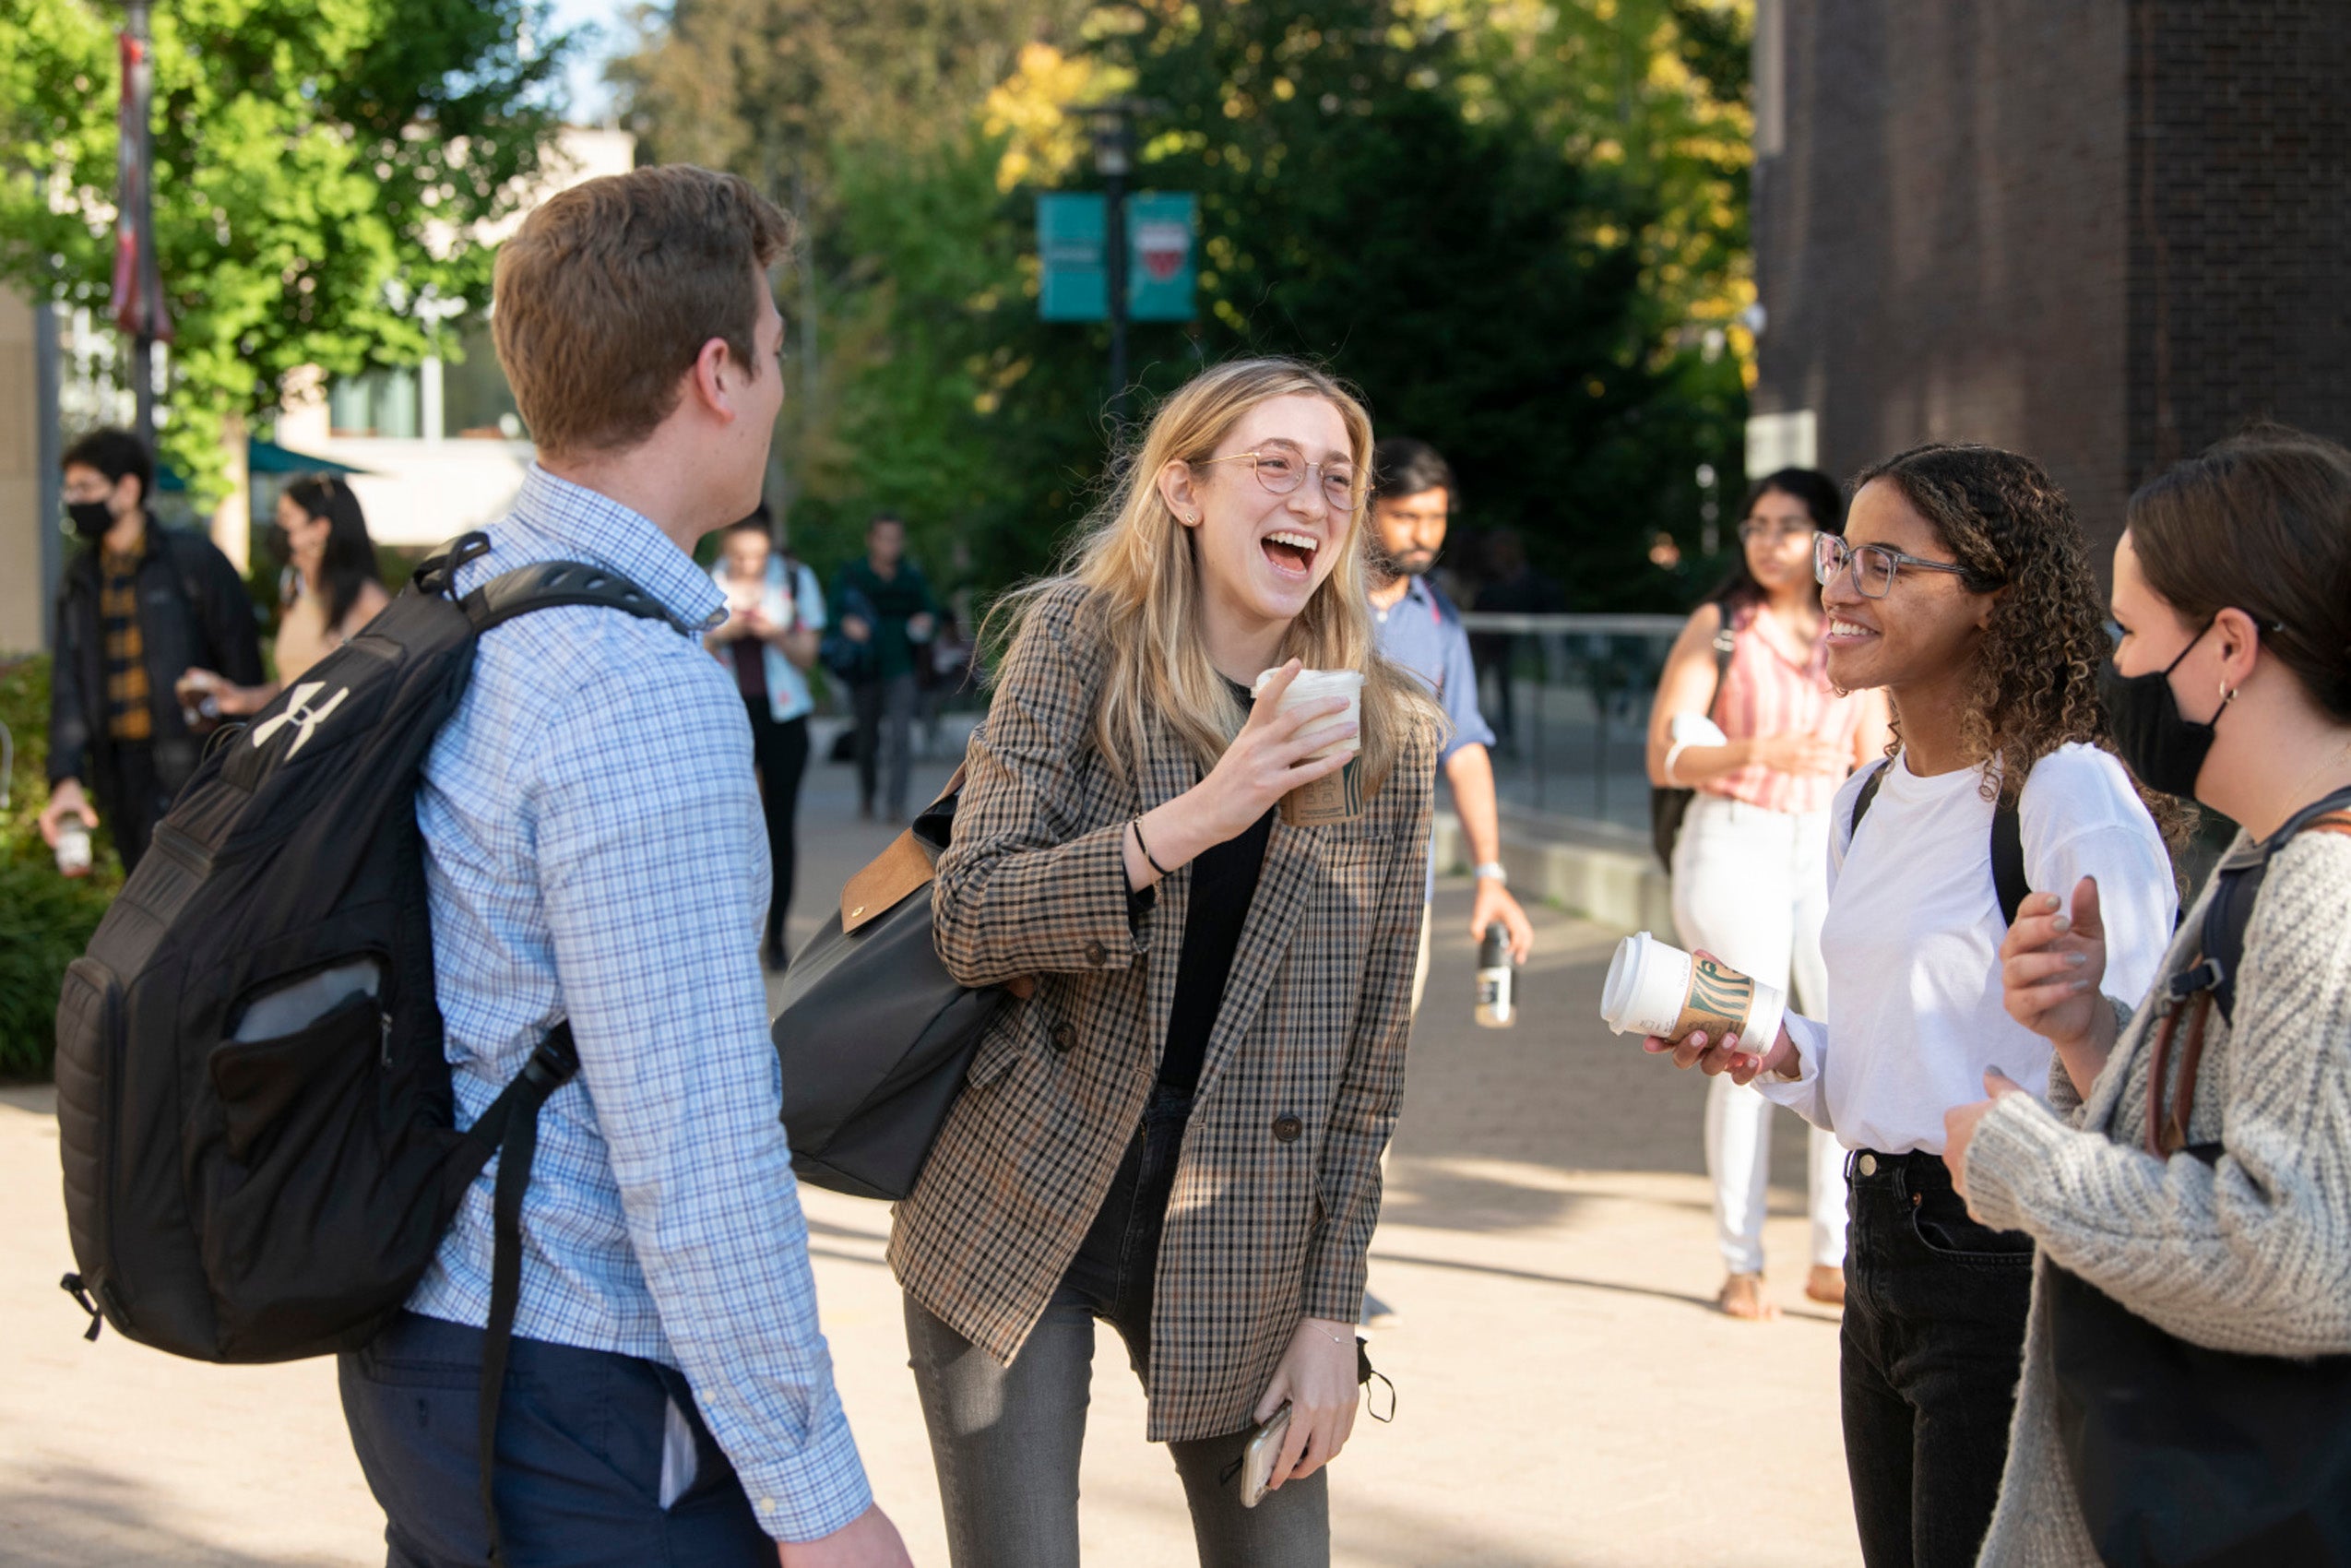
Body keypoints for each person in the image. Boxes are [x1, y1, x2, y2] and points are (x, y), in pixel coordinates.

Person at [331, 164, 910, 1567]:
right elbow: (693, 1149)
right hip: (576, 1375)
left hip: (424, 1333)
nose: (776, 388)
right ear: (715, 372)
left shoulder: (469, 594)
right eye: (773, 355)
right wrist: (819, 1497)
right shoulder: (636, 687)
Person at [892, 357, 1440, 1568]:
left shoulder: (1389, 734)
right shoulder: (1078, 644)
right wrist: (1211, 806)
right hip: (1021, 1189)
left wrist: (1331, 1309)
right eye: (1274, 465)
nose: (1310, 498)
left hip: (1245, 1218)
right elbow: (971, 913)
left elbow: (1369, 1065)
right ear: (1184, 489)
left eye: (1335, 477)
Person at [1646, 443, 2180, 1568]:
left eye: (1884, 561)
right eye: (1843, 552)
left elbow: (2155, 1097)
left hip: (2009, 1271)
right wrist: (1771, 1042)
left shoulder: (2063, 788)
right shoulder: (1860, 802)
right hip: (1879, 1264)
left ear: (1991, 599)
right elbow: (1884, 1078)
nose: (1837, 584)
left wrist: (2086, 1018)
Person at [1949, 427, 2351, 1566]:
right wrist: (2093, 1034)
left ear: (2229, 645)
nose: (2114, 666)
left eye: (2132, 633)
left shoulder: (2320, 873)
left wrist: (2027, 1164)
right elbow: (2262, 1124)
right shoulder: (2270, 850)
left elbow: (2301, 1252)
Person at [1643, 468, 1892, 1320]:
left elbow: (1870, 757)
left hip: (1823, 848)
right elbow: (1662, 756)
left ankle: (1833, 1252)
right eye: (1755, 525)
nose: (1768, 542)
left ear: (1827, 542)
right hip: (1732, 835)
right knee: (1746, 1037)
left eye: (1789, 527)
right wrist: (1757, 752)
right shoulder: (1721, 626)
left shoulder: (1852, 630)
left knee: (1843, 1038)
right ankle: (1739, 1261)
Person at [1360, 436, 1536, 1329]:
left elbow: (1461, 745)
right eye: (1407, 515)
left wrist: (1492, 876)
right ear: (1365, 506)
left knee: (1372, 1084)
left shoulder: (1438, 619)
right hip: (1299, 881)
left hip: (1404, 891)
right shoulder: (1309, 600)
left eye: (1435, 519)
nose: (1424, 534)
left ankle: (1334, 1261)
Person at [40, 427, 264, 874]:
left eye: (85, 487)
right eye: (69, 488)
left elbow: (244, 668)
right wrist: (65, 777)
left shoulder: (194, 561)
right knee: (140, 896)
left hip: (195, 765)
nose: (73, 499)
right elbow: (69, 682)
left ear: (128, 489)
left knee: (199, 899)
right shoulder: (81, 578)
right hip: (118, 772)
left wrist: (250, 769)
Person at [709, 505, 825, 970]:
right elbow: (687, 648)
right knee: (726, 832)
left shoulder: (796, 580)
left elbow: (808, 657)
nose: (748, 566)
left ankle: (775, 936)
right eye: (739, 557)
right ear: (725, 546)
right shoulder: (702, 580)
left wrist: (774, 633)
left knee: (779, 827)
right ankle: (732, 937)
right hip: (726, 717)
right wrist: (726, 632)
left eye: (756, 556)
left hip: (783, 717)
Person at [178, 472, 391, 717]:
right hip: (296, 746)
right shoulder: (296, 590)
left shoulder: (367, 600)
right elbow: (293, 686)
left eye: (286, 517)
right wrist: (238, 698)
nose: (278, 527)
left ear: (319, 529)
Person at [831, 513, 940, 824]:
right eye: (883, 537)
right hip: (865, 667)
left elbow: (930, 612)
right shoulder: (853, 574)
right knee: (865, 738)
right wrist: (846, 624)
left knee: (902, 735)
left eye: (895, 538)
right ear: (871, 539)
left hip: (901, 665)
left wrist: (925, 622)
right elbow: (831, 615)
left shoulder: (911, 577)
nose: (890, 545)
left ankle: (896, 804)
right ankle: (868, 795)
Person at [1466, 527, 1560, 751]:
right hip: (1483, 642)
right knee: (1473, 690)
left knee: (1506, 691)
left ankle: (1507, 737)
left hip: (1510, 645)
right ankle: (1474, 737)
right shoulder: (1488, 577)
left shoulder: (1527, 579)